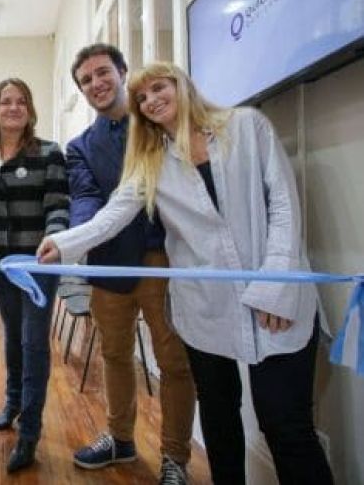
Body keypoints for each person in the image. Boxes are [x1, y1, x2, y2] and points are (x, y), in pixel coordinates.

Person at [38, 62, 333, 485]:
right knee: (218, 416)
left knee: (286, 427)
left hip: (278, 299)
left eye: (160, 88)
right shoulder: (151, 160)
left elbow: (284, 208)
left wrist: (277, 286)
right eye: (142, 98)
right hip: (204, 305)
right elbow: (112, 216)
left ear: (182, 85)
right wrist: (63, 244)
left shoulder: (247, 127)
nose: (151, 100)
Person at [65, 44, 195, 484]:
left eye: (103, 73)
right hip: (108, 265)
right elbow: (85, 198)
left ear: (122, 72)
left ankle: (175, 457)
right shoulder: (81, 147)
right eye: (86, 80)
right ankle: (120, 438)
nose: (96, 84)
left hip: (163, 258)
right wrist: (77, 240)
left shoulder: (159, 124)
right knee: (114, 354)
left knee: (174, 362)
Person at [0, 77, 69, 473]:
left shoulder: (48, 153)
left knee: (33, 341)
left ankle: (29, 433)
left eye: (20, 101)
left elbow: (58, 205)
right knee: (11, 334)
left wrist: (55, 238)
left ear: (30, 110)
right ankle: (11, 403)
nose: (13, 107)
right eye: (6, 101)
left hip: (37, 263)